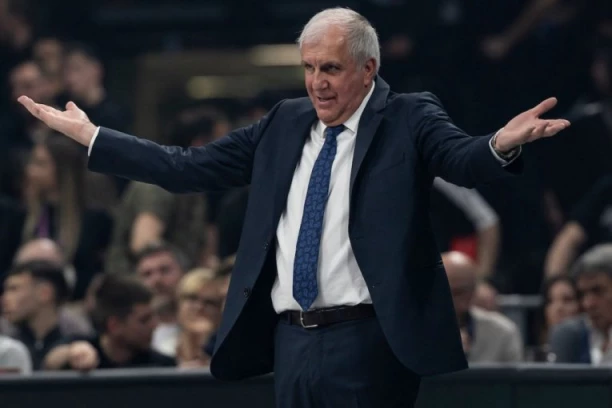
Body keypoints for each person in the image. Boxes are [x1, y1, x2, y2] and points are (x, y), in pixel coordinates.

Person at [17, 7, 570, 407]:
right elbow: (187, 167)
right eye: (309, 68)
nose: (316, 83)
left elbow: (461, 159)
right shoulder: (283, 122)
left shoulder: (408, 117)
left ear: (368, 68)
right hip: (291, 340)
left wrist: (500, 143)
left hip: (369, 340)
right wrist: (93, 136)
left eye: (330, 69)